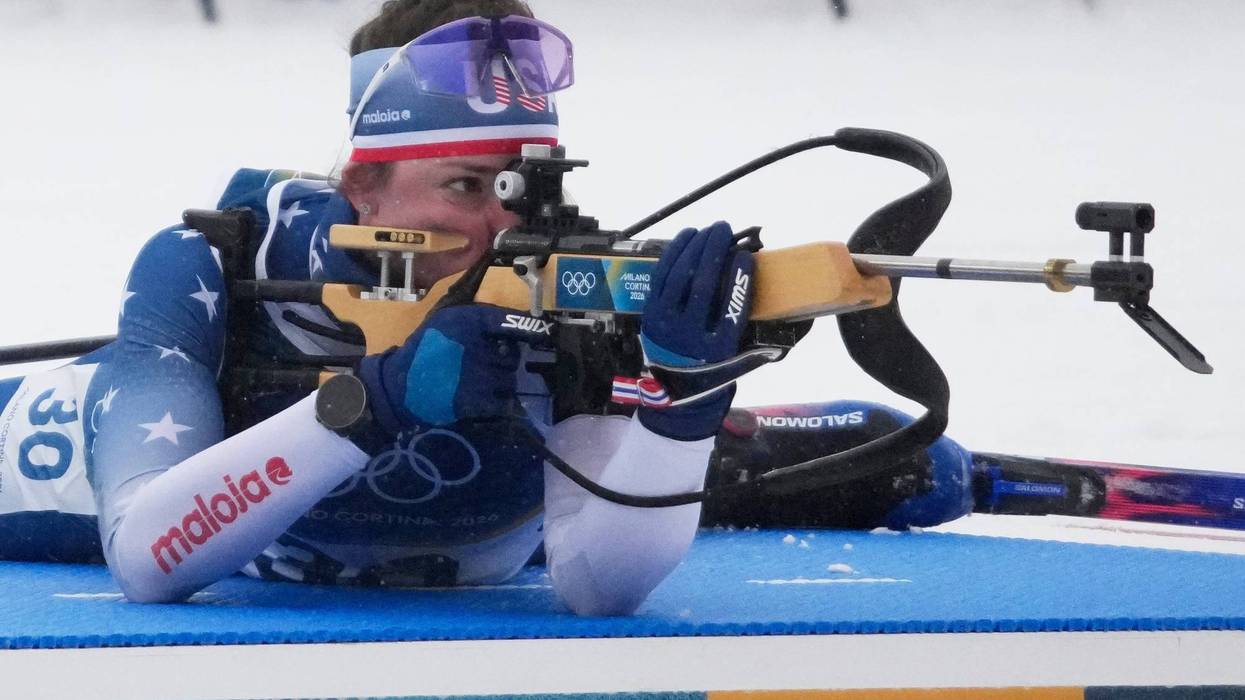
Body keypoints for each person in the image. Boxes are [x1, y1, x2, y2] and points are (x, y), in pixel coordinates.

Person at [0, 0, 973, 615]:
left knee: (920, 464)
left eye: (523, 191)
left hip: (485, 550)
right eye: (466, 187)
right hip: (78, 466)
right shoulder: (214, 266)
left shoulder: (556, 288)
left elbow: (598, 584)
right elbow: (143, 555)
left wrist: (687, 400)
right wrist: (371, 403)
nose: (499, 229)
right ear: (362, 187)